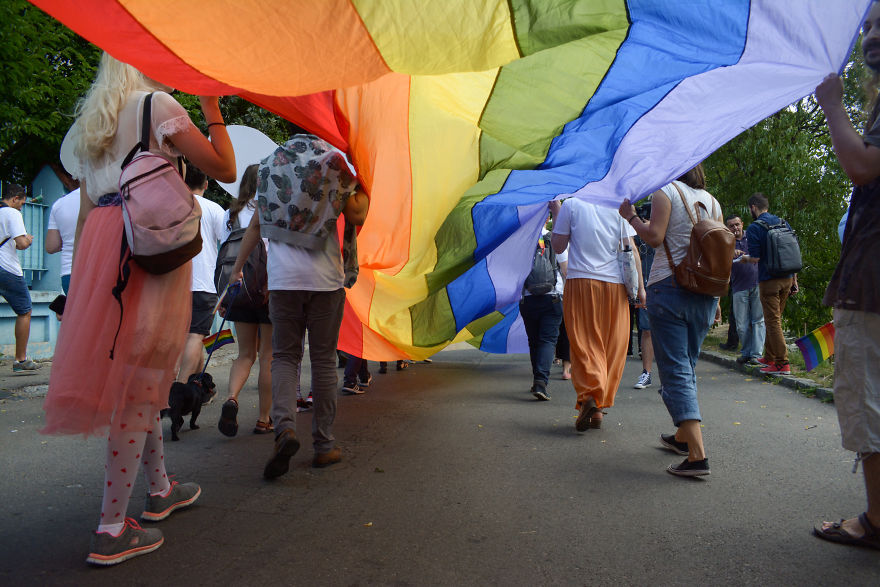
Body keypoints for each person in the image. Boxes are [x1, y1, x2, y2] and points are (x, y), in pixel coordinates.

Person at [41, 53, 235, 565]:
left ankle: (161, 489)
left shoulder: (96, 119)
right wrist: (212, 108)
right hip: (147, 246)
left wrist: (84, 291)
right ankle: (110, 528)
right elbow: (225, 169)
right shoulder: (157, 106)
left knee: (138, 377)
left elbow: (86, 214)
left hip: (104, 252)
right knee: (143, 382)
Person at [229, 133, 369, 479]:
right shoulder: (333, 163)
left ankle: (285, 430)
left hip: (283, 281)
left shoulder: (270, 167)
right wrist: (363, 179)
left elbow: (256, 225)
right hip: (325, 280)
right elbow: (357, 214)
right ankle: (324, 445)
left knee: (284, 357)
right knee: (322, 360)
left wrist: (236, 268)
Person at [812, 2, 880, 549]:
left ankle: (876, 522)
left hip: (873, 283)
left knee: (867, 401)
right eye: (869, 26)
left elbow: (861, 166)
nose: (871, 36)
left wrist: (832, 105)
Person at [619, 163, 722, 477]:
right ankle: (682, 437)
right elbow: (718, 256)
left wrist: (631, 217)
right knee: (686, 365)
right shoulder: (712, 202)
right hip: (706, 293)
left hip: (670, 287)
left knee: (675, 369)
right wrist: (718, 301)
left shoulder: (666, 191)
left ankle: (697, 456)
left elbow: (654, 237)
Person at [551, 197, 643, 431]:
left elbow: (558, 247)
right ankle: (598, 407)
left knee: (585, 343)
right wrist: (641, 288)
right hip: (615, 286)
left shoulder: (571, 205)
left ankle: (591, 396)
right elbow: (631, 248)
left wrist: (556, 212)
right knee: (611, 346)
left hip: (581, 281)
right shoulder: (618, 205)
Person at [217, 164, 274, 436]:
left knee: (245, 354)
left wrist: (223, 294)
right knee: (268, 356)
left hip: (240, 288)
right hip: (268, 288)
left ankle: (232, 398)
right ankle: (264, 419)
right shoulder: (272, 208)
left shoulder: (231, 214)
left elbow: (224, 252)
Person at [176, 165, 226, 386]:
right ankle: (180, 387)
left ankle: (200, 387)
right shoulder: (215, 209)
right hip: (204, 282)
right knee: (196, 337)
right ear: (206, 184)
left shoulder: (174, 206)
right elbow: (227, 244)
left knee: (185, 337)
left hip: (176, 284)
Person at [741, 192, 798, 375]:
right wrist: (794, 280)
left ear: (753, 207)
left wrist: (743, 258)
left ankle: (782, 363)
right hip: (787, 278)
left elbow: (755, 257)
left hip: (769, 280)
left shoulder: (754, 228)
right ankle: (770, 357)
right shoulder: (783, 222)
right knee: (775, 320)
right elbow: (792, 251)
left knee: (772, 322)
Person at [519, 223, 567, 401]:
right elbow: (565, 269)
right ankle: (540, 382)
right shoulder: (556, 238)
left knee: (534, 342)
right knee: (548, 340)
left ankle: (537, 379)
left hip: (528, 297)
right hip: (552, 297)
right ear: (547, 218)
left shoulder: (521, 238)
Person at [0, 185, 39, 372]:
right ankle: (20, 360)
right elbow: (22, 243)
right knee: (25, 311)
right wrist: (28, 239)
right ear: (14, 198)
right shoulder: (12, 213)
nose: (22, 207)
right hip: (6, 268)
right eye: (22, 203)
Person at [726, 214, 764, 365]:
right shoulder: (726, 242)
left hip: (758, 283)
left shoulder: (753, 236)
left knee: (758, 320)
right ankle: (746, 352)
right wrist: (730, 253)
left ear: (742, 224)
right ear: (727, 228)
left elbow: (763, 254)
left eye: (737, 224)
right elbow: (719, 263)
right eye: (731, 226)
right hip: (738, 287)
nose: (735, 228)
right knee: (741, 324)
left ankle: (756, 354)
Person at [45, 187, 81, 295]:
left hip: (68, 273)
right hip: (102, 271)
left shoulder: (59, 203)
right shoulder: (110, 198)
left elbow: (51, 246)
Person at [633, 231, 655, 389]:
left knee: (669, 331)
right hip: (646, 286)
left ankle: (671, 377)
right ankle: (646, 373)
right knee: (647, 330)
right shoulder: (638, 237)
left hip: (668, 284)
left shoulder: (667, 231)